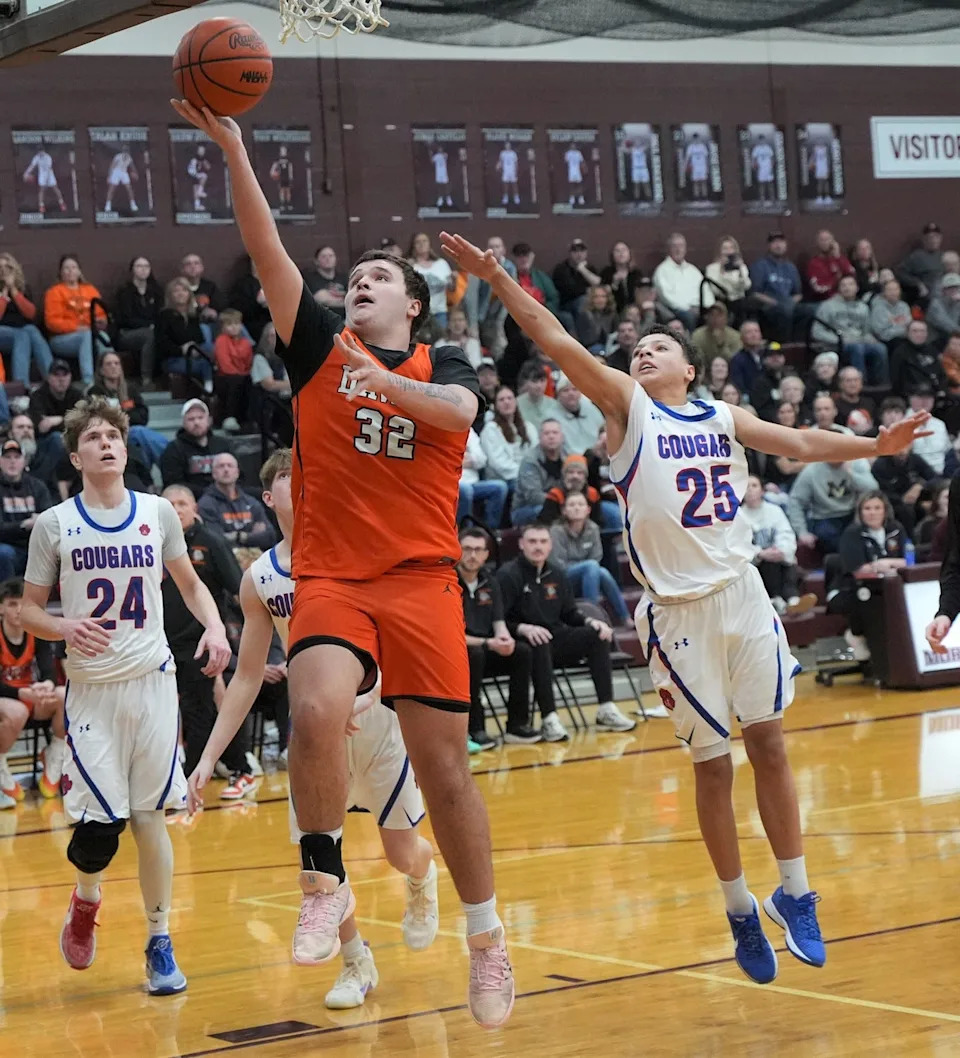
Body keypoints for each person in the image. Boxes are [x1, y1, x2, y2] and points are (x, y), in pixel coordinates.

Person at [442, 230, 929, 986]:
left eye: (660, 346)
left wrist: (877, 448)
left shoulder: (723, 418)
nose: (644, 351)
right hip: (676, 615)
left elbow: (800, 438)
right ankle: (739, 907)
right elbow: (554, 335)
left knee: (769, 743)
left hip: (740, 594)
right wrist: (498, 278)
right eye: (638, 346)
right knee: (712, 768)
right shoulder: (627, 410)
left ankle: (795, 892)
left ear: (691, 367)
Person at [172, 100, 514, 1028]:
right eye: (354, 277)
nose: (359, 284)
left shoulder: (451, 368)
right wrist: (235, 149)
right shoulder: (322, 349)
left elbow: (459, 414)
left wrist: (392, 383)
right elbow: (268, 244)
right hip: (333, 577)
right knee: (316, 705)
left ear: (414, 303)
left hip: (422, 582)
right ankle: (321, 879)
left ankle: (486, 941)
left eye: (378, 278)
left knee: (446, 770)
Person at [186, 449, 440, 1007]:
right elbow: (249, 676)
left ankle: (423, 880)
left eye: (302, 474)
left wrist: (368, 694)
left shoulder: (359, 553)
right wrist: (207, 758)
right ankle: (355, 963)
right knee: (321, 861)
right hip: (313, 738)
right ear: (268, 497)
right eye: (282, 477)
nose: (294, 483)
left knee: (402, 851)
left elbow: (398, 645)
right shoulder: (261, 578)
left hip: (375, 726)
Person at [20, 396, 231, 994]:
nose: (107, 443)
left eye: (114, 434)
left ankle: (159, 942)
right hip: (91, 692)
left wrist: (215, 628)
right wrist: (63, 627)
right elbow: (30, 609)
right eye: (94, 437)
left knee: (148, 818)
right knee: (99, 830)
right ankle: (85, 899)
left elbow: (189, 584)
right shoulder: (55, 524)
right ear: (76, 454)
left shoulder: (158, 512)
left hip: (152, 683)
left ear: (126, 445)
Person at [497, 523, 635, 741]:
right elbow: (499, 620)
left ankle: (606, 709)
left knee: (596, 635)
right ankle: (549, 719)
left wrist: (591, 621)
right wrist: (523, 628)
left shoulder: (557, 573)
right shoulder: (508, 575)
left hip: (556, 637)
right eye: (532, 542)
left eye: (543, 542)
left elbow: (570, 613)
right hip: (525, 641)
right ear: (521, 544)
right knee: (539, 641)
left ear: (550, 545)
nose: (538, 547)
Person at [161, 482, 254, 798]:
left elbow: (238, 588)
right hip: (162, 643)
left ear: (194, 509)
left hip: (201, 642)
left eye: (181, 504)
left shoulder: (210, 541)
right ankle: (232, 766)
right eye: (169, 505)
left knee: (199, 709)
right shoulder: (152, 543)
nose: (175, 510)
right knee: (199, 707)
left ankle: (197, 781)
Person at [457, 527, 539, 748]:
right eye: (467, 549)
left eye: (478, 550)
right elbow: (450, 637)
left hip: (486, 648)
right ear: (457, 550)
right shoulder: (447, 583)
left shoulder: (490, 582)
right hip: (457, 653)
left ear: (486, 554)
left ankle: (517, 726)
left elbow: (499, 623)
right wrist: (488, 643)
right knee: (474, 655)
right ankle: (476, 729)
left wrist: (505, 640)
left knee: (521, 651)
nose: (473, 555)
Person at [0, 576, 65, 809]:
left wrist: (46, 684)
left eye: (21, 603)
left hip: (28, 695)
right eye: (11, 604)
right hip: (7, 700)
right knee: (16, 711)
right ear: (1, 608)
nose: (18, 610)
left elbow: (48, 669)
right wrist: (21, 695)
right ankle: (0, 766)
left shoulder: (34, 631)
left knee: (62, 695)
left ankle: (54, 754)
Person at [831, 492, 909, 662]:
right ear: (860, 512)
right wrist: (883, 566)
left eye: (877, 508)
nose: (872, 513)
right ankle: (856, 635)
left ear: (885, 511)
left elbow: (908, 559)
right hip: (851, 588)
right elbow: (857, 569)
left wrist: (885, 562)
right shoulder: (852, 533)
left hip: (891, 585)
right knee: (867, 599)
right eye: (867, 508)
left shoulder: (896, 528)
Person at [550, 492, 631, 624]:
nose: (576, 508)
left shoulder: (593, 528)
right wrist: (584, 567)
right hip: (563, 578)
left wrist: (585, 567)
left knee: (602, 572)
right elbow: (558, 564)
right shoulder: (556, 531)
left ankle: (625, 617)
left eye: (580, 504)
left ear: (588, 510)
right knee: (592, 567)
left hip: (589, 575)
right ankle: (593, 616)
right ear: (564, 511)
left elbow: (596, 557)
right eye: (572, 505)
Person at [740, 477, 816, 617]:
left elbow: (786, 534)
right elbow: (738, 545)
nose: (750, 489)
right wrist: (760, 553)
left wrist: (781, 550)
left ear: (762, 490)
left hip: (778, 560)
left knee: (786, 560)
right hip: (756, 565)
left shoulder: (774, 511)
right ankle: (777, 600)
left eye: (754, 485)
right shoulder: (738, 516)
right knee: (768, 563)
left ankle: (793, 600)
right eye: (746, 486)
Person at [88, 350, 169, 469]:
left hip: (129, 432)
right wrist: (123, 414)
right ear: (101, 370)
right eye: (109, 364)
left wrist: (120, 412)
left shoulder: (130, 390)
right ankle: (171, 460)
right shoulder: (94, 392)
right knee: (139, 433)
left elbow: (143, 416)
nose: (113, 367)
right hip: (108, 435)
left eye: (117, 363)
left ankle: (170, 461)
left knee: (140, 440)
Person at [43, 255, 110, 386]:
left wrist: (102, 321)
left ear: (79, 271)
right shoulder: (54, 292)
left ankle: (110, 380)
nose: (70, 271)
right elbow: (52, 322)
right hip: (62, 339)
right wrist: (76, 328)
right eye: (66, 268)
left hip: (89, 334)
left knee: (104, 338)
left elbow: (101, 313)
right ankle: (88, 381)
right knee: (86, 335)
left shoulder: (90, 290)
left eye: (74, 267)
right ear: (61, 272)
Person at [812, 274, 888, 385]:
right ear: (839, 288)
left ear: (857, 288)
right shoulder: (827, 306)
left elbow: (866, 332)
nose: (847, 288)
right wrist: (840, 340)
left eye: (850, 284)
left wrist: (871, 339)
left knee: (880, 348)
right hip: (836, 344)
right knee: (857, 348)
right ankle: (860, 384)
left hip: (859, 341)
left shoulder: (863, 308)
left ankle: (881, 385)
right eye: (843, 285)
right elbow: (816, 331)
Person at [198, 451, 277, 552]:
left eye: (230, 466)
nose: (226, 469)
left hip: (255, 561)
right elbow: (216, 541)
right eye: (221, 466)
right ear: (214, 473)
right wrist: (252, 536)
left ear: (237, 473)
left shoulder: (251, 502)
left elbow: (270, 537)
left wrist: (238, 536)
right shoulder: (206, 504)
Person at [0, 438, 53, 581]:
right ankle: (8, 599)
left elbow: (49, 518)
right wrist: (25, 525)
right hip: (8, 548)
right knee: (3, 553)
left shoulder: (37, 486)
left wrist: (39, 521)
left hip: (35, 547)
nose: (12, 461)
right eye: (7, 457)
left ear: (24, 461)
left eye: (17, 457)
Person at [159, 399, 234, 498]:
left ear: (209, 420)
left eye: (200, 417)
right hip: (191, 499)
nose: (196, 422)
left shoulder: (222, 444)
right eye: (191, 419)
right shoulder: (173, 449)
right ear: (184, 423)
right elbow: (174, 484)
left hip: (225, 496)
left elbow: (239, 475)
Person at [0, 251, 53, 385]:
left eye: (8, 268)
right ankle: (21, 386)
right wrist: (4, 295)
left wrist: (14, 291)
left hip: (20, 331)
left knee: (32, 330)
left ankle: (53, 379)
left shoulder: (22, 288)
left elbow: (31, 314)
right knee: (22, 334)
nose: (4, 272)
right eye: (0, 268)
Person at [155, 277, 214, 389]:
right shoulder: (164, 316)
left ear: (189, 294)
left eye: (184, 290)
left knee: (210, 347)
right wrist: (182, 349)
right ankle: (208, 390)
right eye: (176, 291)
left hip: (194, 354)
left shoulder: (193, 316)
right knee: (207, 364)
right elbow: (162, 344)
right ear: (170, 295)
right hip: (173, 359)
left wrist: (194, 348)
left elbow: (199, 338)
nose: (180, 294)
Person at [115, 257, 163, 388]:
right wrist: (148, 325)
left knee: (158, 333)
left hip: (152, 329)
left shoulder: (156, 290)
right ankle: (146, 377)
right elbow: (124, 318)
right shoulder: (124, 291)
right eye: (139, 266)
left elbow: (160, 313)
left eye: (146, 266)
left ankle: (162, 376)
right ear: (132, 270)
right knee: (149, 335)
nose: (143, 269)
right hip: (127, 333)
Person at [511, 418, 567, 526]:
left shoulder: (567, 458)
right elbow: (533, 497)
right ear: (539, 437)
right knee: (547, 510)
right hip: (525, 509)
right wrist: (561, 501)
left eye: (555, 433)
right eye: (546, 433)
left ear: (561, 436)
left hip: (561, 503)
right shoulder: (530, 461)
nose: (551, 436)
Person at [749, 232, 804, 341]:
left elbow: (798, 294)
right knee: (783, 311)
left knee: (809, 311)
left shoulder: (791, 267)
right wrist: (777, 304)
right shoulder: (760, 265)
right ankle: (785, 346)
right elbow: (755, 293)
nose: (778, 245)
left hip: (789, 303)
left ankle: (799, 345)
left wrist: (790, 302)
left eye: (781, 242)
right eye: (774, 242)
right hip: (768, 305)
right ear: (769, 246)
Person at [479, 385, 536, 488]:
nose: (506, 402)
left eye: (510, 398)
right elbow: (498, 463)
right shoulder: (491, 429)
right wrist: (524, 474)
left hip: (529, 475)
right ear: (495, 405)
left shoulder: (529, 427)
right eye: (501, 400)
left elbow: (536, 454)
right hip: (505, 479)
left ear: (515, 401)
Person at [653, 233, 712, 331]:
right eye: (674, 246)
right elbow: (666, 297)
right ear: (669, 249)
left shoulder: (693, 270)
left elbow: (706, 290)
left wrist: (708, 306)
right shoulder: (662, 271)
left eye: (681, 246)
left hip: (699, 308)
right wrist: (688, 308)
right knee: (689, 317)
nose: (678, 249)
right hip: (678, 311)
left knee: (716, 315)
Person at [213, 308, 254, 432]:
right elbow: (225, 365)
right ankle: (229, 417)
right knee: (235, 381)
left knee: (251, 383)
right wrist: (242, 374)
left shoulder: (246, 343)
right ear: (223, 327)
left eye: (237, 324)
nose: (234, 327)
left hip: (242, 376)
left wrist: (245, 374)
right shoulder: (221, 340)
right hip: (224, 377)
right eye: (230, 324)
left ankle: (248, 420)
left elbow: (249, 363)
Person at [458, 428, 507, 530]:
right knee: (466, 490)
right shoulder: (439, 429)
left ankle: (489, 531)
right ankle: (466, 531)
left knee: (500, 487)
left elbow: (482, 460)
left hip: (473, 483)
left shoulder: (468, 431)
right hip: (453, 483)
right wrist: (467, 457)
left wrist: (459, 458)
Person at [408, 232, 454, 331]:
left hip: (440, 312)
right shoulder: (411, 265)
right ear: (413, 246)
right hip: (419, 313)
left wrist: (454, 279)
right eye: (418, 242)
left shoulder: (441, 263)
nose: (421, 244)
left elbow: (452, 288)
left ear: (429, 244)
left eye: (424, 241)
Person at [889, 320, 945, 399]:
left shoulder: (932, 350)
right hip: (912, 396)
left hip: (935, 394)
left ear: (927, 334)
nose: (919, 334)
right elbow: (896, 381)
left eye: (922, 331)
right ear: (907, 333)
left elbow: (942, 375)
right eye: (914, 331)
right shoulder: (900, 353)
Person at [704, 236, 752, 325]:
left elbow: (746, 286)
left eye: (731, 248)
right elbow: (716, 290)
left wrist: (741, 271)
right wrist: (722, 271)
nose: (728, 251)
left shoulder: (741, 267)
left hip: (740, 301)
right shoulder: (712, 268)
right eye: (725, 248)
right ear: (719, 251)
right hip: (723, 301)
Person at [554, 377, 605, 454]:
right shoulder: (552, 416)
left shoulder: (591, 409)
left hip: (598, 454)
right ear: (558, 395)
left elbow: (603, 430)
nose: (571, 393)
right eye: (565, 390)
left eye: (574, 389)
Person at [898, 222, 943, 305]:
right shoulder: (916, 257)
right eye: (930, 237)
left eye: (936, 237)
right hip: (927, 294)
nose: (933, 240)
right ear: (924, 239)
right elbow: (901, 273)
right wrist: (918, 284)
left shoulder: (944, 256)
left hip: (945, 293)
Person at [805, 230, 854, 302]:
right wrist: (836, 279)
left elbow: (852, 275)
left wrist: (838, 257)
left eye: (827, 239)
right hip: (825, 300)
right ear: (817, 243)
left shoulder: (840, 259)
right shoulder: (814, 263)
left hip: (846, 298)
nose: (825, 242)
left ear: (833, 242)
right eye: (822, 240)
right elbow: (818, 289)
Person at [515, 361, 562, 430]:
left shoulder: (554, 404)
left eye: (542, 381)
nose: (539, 386)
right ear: (526, 382)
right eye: (534, 381)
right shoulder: (516, 404)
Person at [304, 246, 348, 318]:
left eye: (331, 256)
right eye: (324, 256)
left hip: (344, 319)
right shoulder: (310, 279)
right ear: (316, 261)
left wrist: (327, 299)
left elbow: (351, 299)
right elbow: (318, 299)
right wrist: (341, 299)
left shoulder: (344, 278)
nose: (328, 259)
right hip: (322, 320)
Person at [868, 277, 912, 346]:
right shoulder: (878, 308)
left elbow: (909, 325)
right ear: (884, 292)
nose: (893, 293)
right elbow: (880, 332)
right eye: (889, 290)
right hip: (887, 340)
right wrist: (901, 331)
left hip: (903, 337)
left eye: (895, 289)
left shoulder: (904, 306)